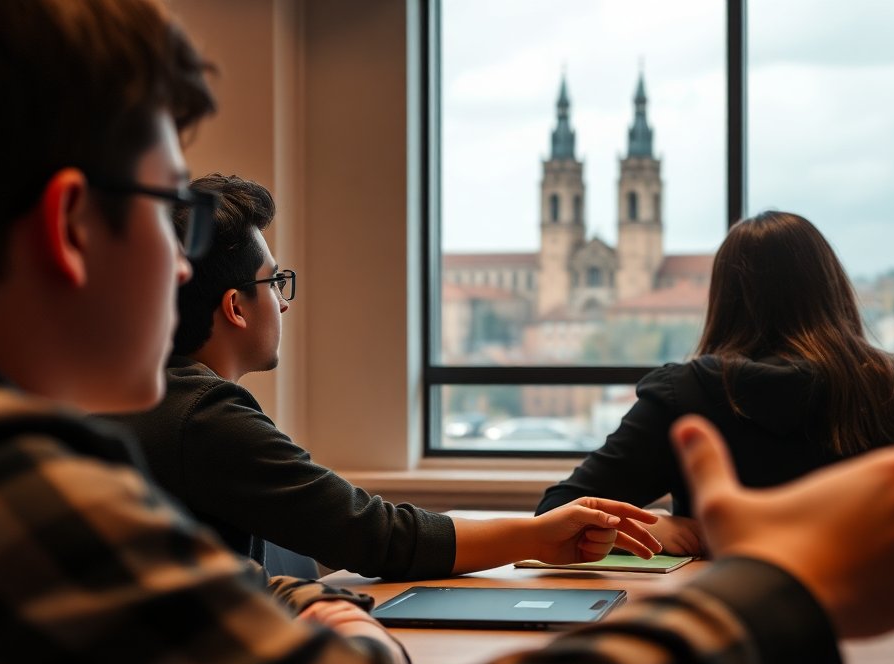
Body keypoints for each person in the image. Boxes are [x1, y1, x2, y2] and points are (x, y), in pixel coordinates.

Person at [0, 1, 894, 664]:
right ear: (70, 226)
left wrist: (313, 612)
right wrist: (793, 588)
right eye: (178, 205)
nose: (197, 255)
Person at [108, 173, 660, 579]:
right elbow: (374, 536)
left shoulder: (152, 398)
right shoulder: (204, 418)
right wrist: (537, 536)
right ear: (235, 307)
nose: (284, 304)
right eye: (274, 283)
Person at [539, 211, 894, 555]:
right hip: (880, 620)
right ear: (834, 291)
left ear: (723, 300)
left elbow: (555, 516)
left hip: (730, 618)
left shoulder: (683, 394)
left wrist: (654, 529)